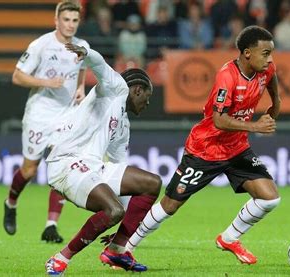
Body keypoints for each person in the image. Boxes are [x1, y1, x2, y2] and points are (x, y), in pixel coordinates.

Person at [118, 25, 281, 265]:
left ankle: (229, 238)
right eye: (265, 53)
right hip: (205, 149)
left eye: (271, 53)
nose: (270, 59)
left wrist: (274, 107)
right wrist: (256, 127)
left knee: (270, 198)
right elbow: (219, 120)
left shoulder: (267, 70)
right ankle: (124, 248)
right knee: (170, 206)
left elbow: (274, 92)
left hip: (236, 148)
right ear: (247, 53)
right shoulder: (228, 76)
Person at [44, 43, 161, 275]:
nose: (146, 104)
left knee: (151, 184)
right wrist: (87, 54)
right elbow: (99, 65)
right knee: (113, 211)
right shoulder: (115, 88)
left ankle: (117, 249)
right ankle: (60, 258)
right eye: (146, 98)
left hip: (93, 167)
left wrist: (126, 222)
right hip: (66, 163)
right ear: (137, 90)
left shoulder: (124, 125)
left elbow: (120, 169)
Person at [3, 0, 89, 243]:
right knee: (30, 169)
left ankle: (50, 226)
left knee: (61, 167)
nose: (70, 25)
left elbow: (83, 65)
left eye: (74, 20)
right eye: (66, 20)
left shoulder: (82, 46)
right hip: (40, 115)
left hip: (67, 116)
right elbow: (17, 76)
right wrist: (46, 82)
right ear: (56, 21)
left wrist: (81, 87)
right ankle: (10, 203)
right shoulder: (41, 45)